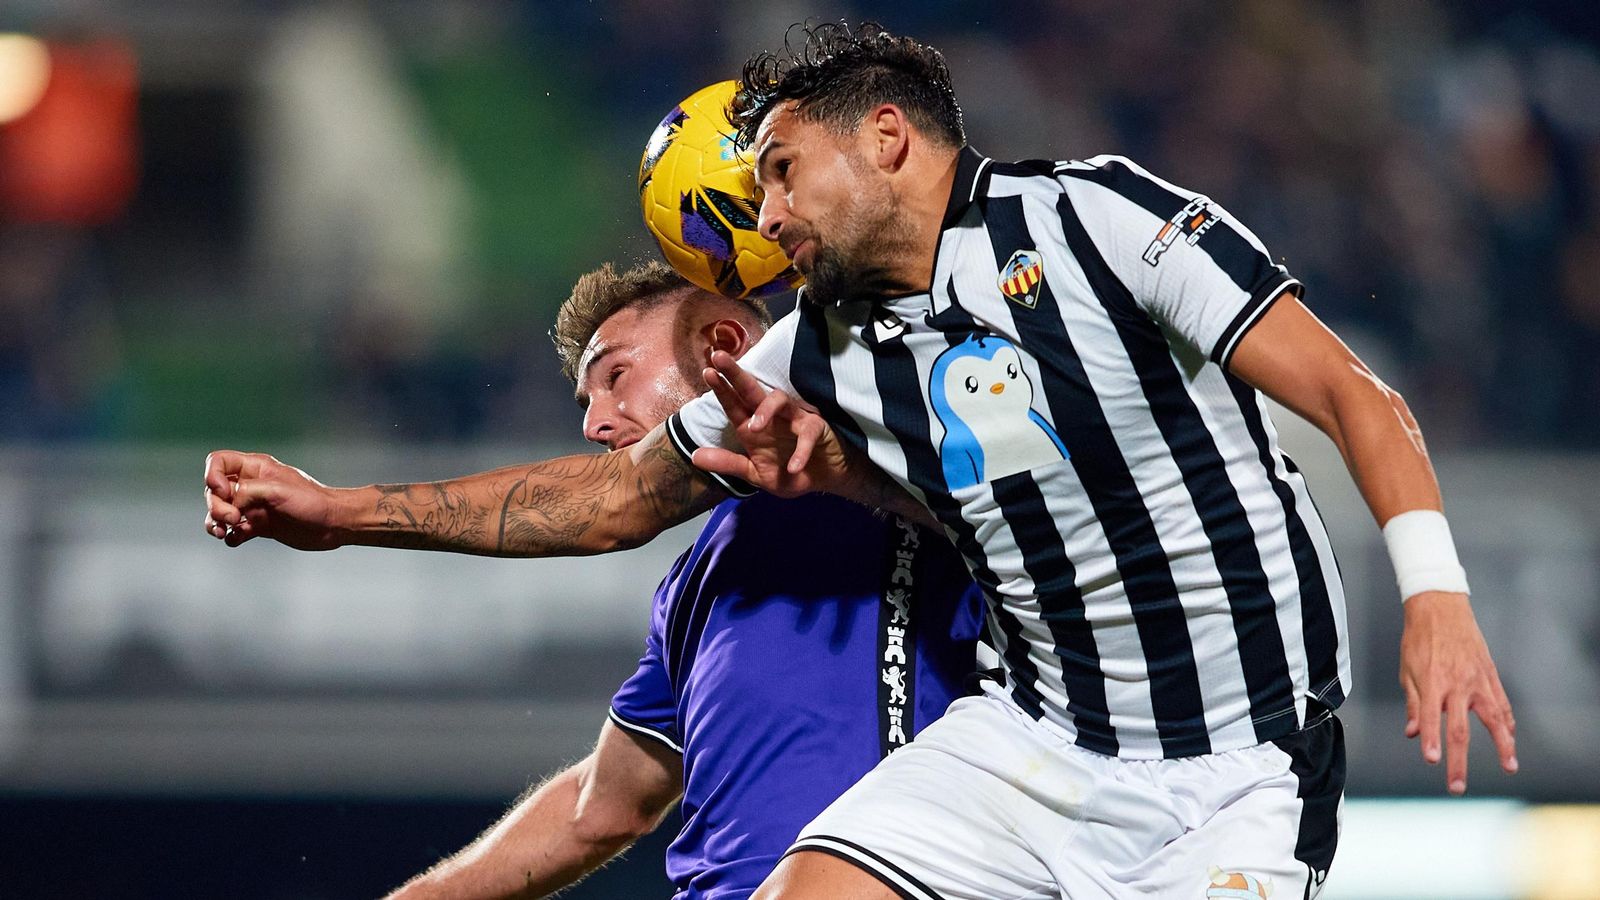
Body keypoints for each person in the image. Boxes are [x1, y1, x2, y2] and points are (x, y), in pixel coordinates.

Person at [203, 22, 1516, 899]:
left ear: (886, 139)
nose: (762, 218)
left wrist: (1440, 596)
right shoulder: (816, 354)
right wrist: (340, 512)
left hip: (1240, 757)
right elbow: (608, 501)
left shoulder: (1098, 219)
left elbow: (1358, 396)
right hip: (1046, 739)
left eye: (780, 173)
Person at [343, 262, 978, 900]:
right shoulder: (693, 589)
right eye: (587, 401)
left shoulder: (902, 457)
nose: (595, 425)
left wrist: (334, 512)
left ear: (723, 349)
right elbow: (597, 809)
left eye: (615, 376)